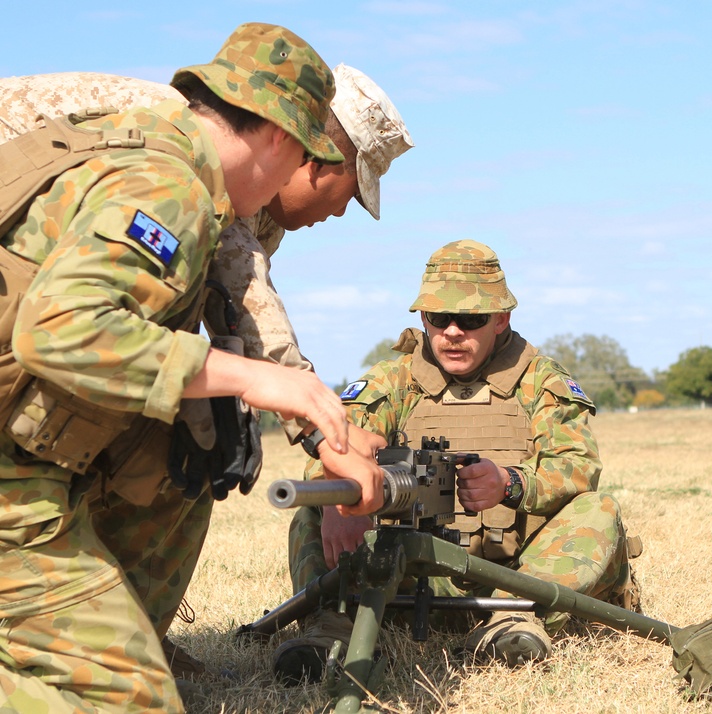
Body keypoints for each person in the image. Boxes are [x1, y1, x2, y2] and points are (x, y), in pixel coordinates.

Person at [0, 22, 384, 713]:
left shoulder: (160, 151)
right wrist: (253, 380)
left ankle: (120, 628)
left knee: (194, 438)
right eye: (305, 154)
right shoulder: (167, 181)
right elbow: (58, 327)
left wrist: (322, 431)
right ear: (279, 139)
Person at [274, 239, 641, 684]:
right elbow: (335, 439)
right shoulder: (394, 380)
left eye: (470, 319)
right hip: (407, 577)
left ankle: (517, 623)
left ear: (501, 318)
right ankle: (333, 626)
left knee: (599, 510)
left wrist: (511, 483)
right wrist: (338, 499)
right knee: (314, 505)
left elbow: (578, 466)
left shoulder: (540, 382)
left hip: (510, 579)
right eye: (437, 318)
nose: (452, 332)